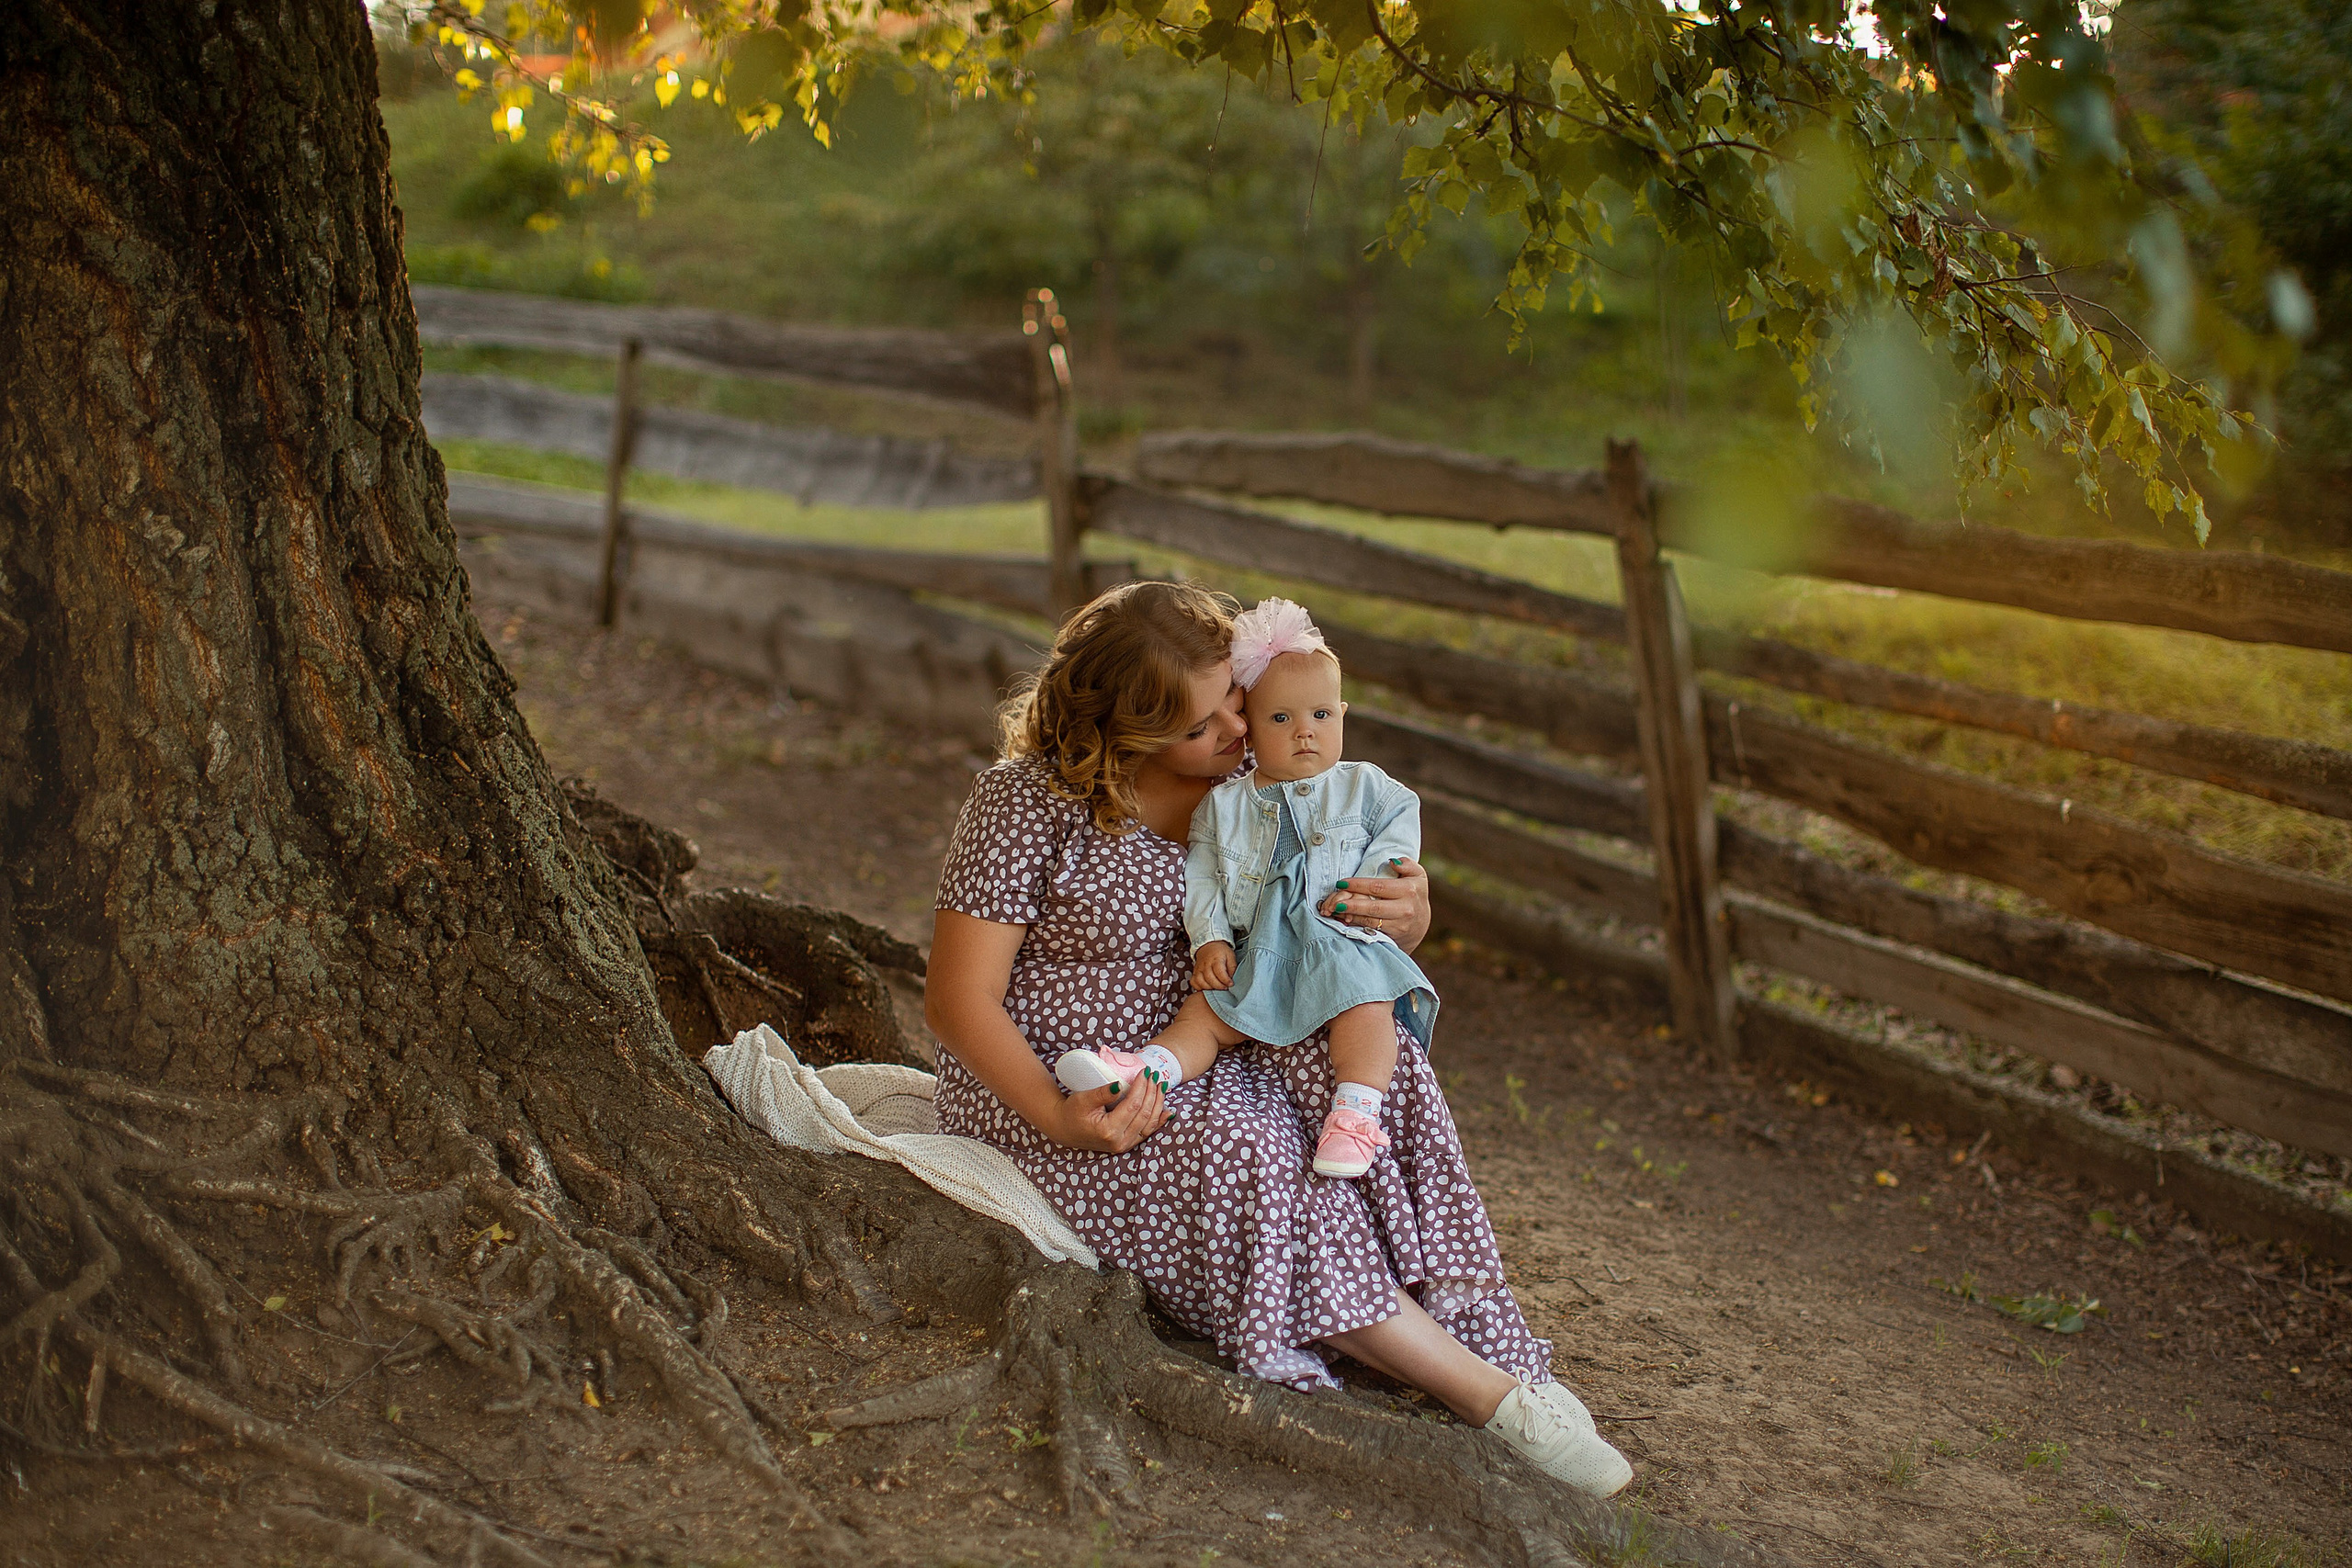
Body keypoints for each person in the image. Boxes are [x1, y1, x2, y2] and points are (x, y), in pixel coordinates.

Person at [923, 580, 1632, 1496]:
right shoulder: (1025, 805)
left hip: (1225, 1026)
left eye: (1234, 697)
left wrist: (1402, 917)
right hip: (1061, 1081)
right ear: (1121, 736)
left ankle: (1477, 1327)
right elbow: (957, 1000)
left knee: (1380, 1074)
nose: (1235, 728)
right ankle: (1489, 1398)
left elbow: (1343, 913)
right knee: (1249, 1152)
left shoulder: (1267, 787)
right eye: (1201, 724)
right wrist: (1058, 1120)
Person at [1057, 598, 1436, 1182]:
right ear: (1254, 728)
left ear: (1342, 714)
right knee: (1205, 1014)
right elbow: (1203, 876)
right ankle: (1145, 1066)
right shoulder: (1226, 802)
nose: (1305, 732)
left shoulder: (1367, 787)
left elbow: (1398, 829)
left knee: (1366, 1008)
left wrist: (1383, 891)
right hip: (1261, 949)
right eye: (1281, 720)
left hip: (1338, 941)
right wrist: (1209, 939)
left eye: (1322, 716)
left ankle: (1357, 1113)